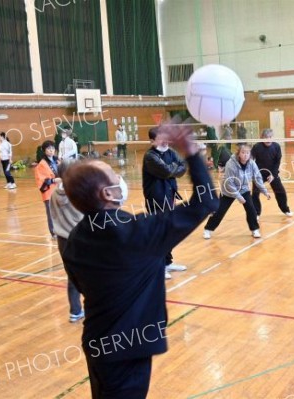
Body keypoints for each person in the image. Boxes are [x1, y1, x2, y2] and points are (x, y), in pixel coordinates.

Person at [61, 124, 218, 399]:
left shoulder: (75, 239)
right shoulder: (138, 233)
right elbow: (205, 203)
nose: (119, 178)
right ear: (107, 194)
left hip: (97, 342)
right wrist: (192, 152)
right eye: (113, 176)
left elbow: (81, 286)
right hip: (127, 349)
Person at [142, 127, 188, 279]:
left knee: (167, 231)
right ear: (152, 141)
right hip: (156, 199)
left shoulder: (170, 152)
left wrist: (173, 169)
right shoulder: (150, 156)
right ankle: (158, 266)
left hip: (169, 197)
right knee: (158, 233)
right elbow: (167, 171)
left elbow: (183, 167)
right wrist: (173, 170)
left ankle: (167, 262)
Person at [203, 143, 270, 239]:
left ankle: (254, 229)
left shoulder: (251, 163)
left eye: (248, 153)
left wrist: (265, 191)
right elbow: (229, 182)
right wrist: (238, 197)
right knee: (220, 211)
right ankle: (208, 229)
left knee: (251, 209)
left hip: (244, 189)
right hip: (228, 191)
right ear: (239, 153)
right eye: (243, 152)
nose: (246, 155)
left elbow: (257, 177)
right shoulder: (231, 164)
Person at [49, 161, 84, 323]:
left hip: (62, 240)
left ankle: (75, 310)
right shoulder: (76, 194)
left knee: (73, 276)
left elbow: (53, 216)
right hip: (79, 238)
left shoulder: (54, 194)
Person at [251, 128, 292, 217]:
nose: (268, 139)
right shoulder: (256, 147)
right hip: (259, 174)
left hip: (272, 173)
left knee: (280, 191)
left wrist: (273, 175)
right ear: (262, 138)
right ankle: (257, 213)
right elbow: (251, 160)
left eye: (270, 137)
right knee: (255, 193)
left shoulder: (276, 146)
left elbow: (277, 162)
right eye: (266, 137)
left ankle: (285, 210)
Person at [34, 140, 60, 237]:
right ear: (44, 151)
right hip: (49, 192)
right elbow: (41, 181)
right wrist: (54, 180)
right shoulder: (42, 164)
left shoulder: (57, 160)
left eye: (53, 148)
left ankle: (62, 230)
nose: (51, 150)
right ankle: (53, 232)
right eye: (49, 149)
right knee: (51, 213)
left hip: (59, 191)